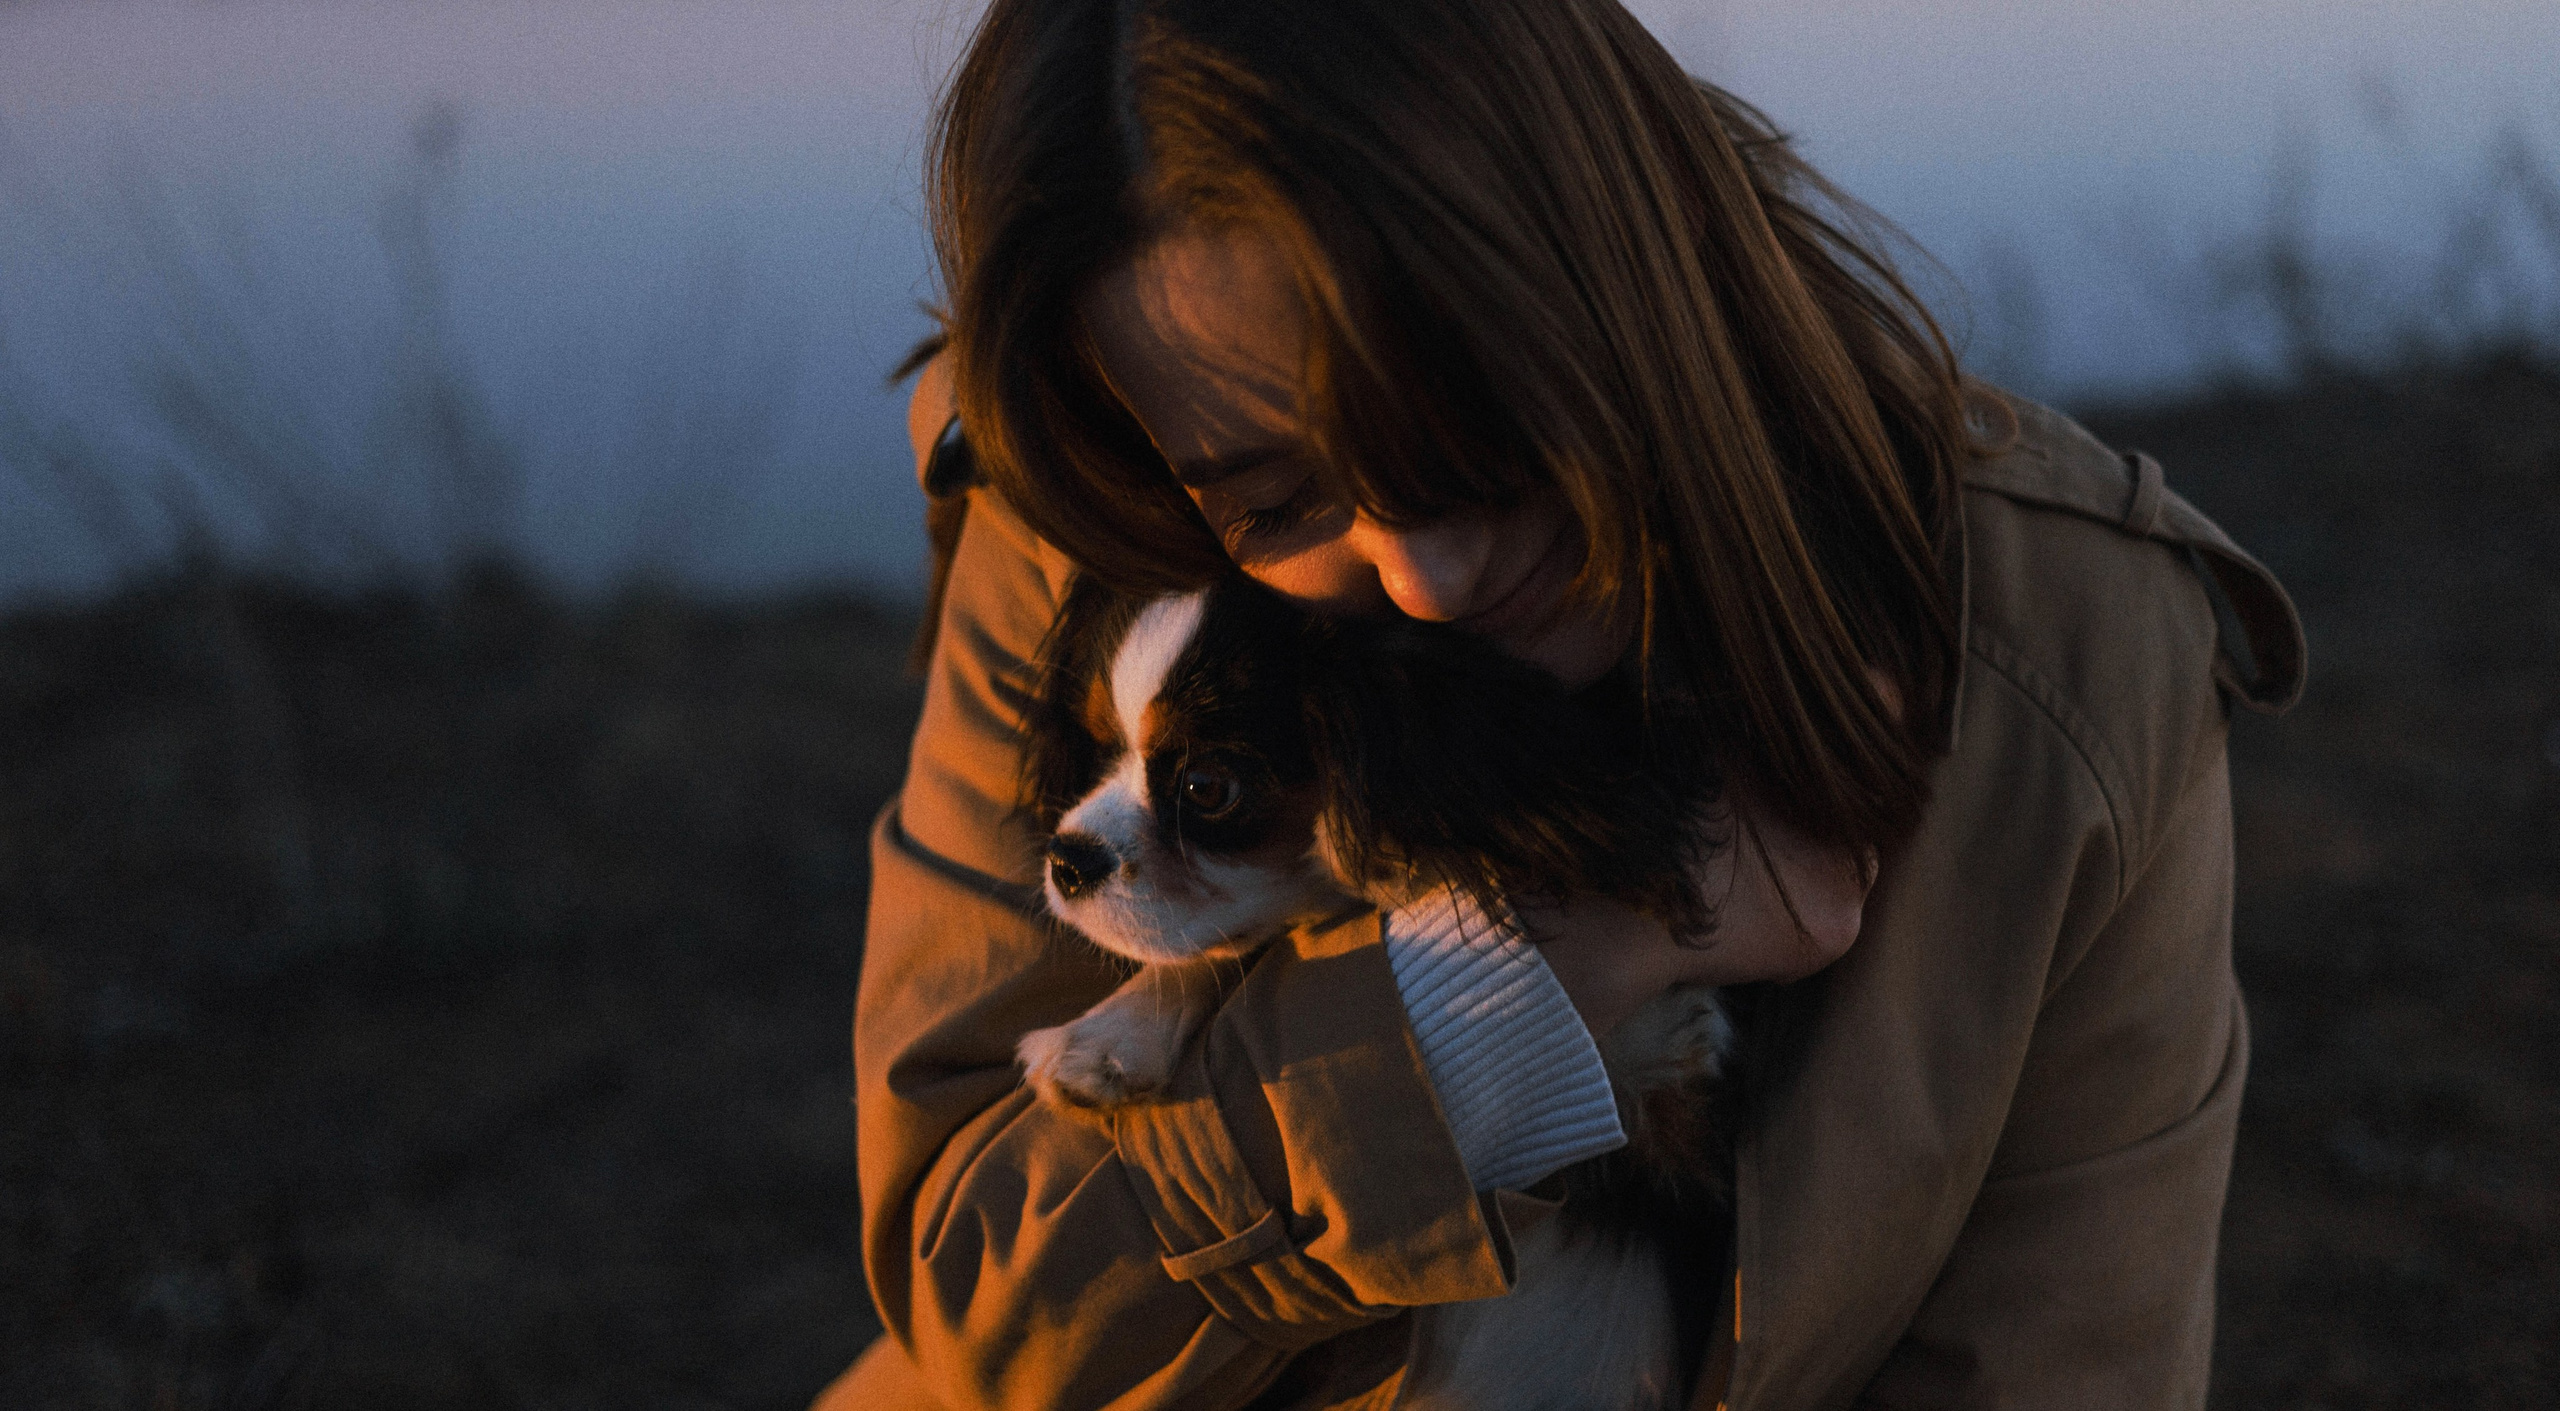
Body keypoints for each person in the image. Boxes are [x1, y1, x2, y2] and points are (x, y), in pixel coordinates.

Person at [818, 1, 2306, 1407]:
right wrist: (1518, 987)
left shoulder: (2067, 653)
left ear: (1621, 265)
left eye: (1477, 429)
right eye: (1274, 497)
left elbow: (2057, 1362)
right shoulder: (1106, 529)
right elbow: (990, 1314)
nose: (1430, 568)